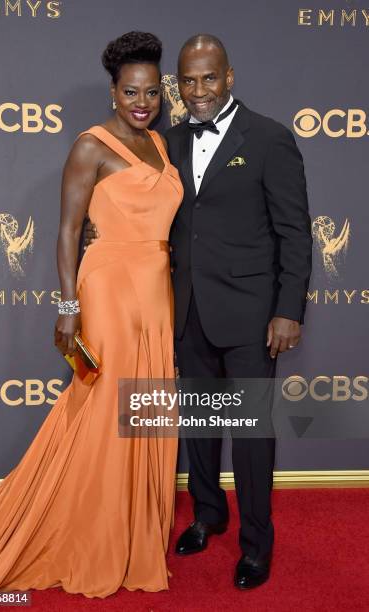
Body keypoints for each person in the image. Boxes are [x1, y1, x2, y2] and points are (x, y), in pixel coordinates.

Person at [0, 31, 183, 607]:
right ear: (112, 92)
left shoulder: (161, 145)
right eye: (131, 91)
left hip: (156, 289)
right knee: (108, 407)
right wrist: (68, 306)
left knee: (149, 408)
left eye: (152, 92)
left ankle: (137, 535)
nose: (143, 101)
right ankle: (96, 533)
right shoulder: (90, 145)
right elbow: (66, 231)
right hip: (108, 285)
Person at [85, 33, 312, 590]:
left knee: (252, 435)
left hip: (252, 315)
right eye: (187, 80)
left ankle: (257, 543)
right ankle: (209, 514)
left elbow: (294, 235)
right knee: (200, 428)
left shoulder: (271, 138)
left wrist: (288, 310)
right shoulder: (166, 142)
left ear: (229, 77)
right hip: (184, 309)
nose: (199, 90)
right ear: (176, 85)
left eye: (209, 78)